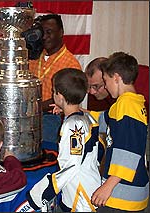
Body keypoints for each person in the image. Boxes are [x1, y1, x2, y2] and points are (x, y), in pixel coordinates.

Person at [26, 68, 105, 212]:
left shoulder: (72, 125)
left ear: (60, 96)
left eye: (54, 91)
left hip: (80, 194)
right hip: (90, 182)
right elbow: (100, 147)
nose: (52, 94)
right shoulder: (87, 117)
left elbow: (71, 165)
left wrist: (44, 191)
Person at [91, 52, 149, 212]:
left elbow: (129, 149)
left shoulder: (127, 106)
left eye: (106, 81)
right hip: (124, 189)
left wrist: (108, 186)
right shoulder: (126, 103)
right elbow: (103, 120)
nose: (106, 86)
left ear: (116, 78)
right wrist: (76, 111)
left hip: (123, 193)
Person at [29, 14, 82, 143]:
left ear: (61, 33)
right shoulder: (34, 57)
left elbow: (67, 98)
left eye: (49, 32)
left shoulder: (71, 63)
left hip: (54, 116)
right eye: (42, 33)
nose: (45, 37)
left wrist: (35, 107)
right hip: (30, 114)